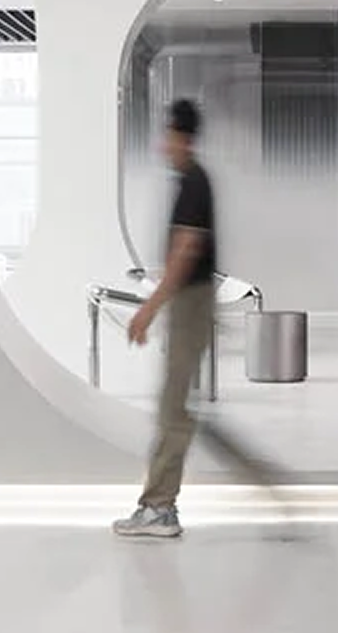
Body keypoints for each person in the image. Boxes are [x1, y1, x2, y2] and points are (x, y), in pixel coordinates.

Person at [113, 98, 282, 539]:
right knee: (181, 411)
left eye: (167, 135)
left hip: (191, 304)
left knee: (174, 410)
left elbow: (185, 251)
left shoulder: (194, 184)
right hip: (191, 303)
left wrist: (148, 311)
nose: (162, 144)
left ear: (180, 137)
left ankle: (159, 508)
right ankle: (258, 482)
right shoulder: (193, 181)